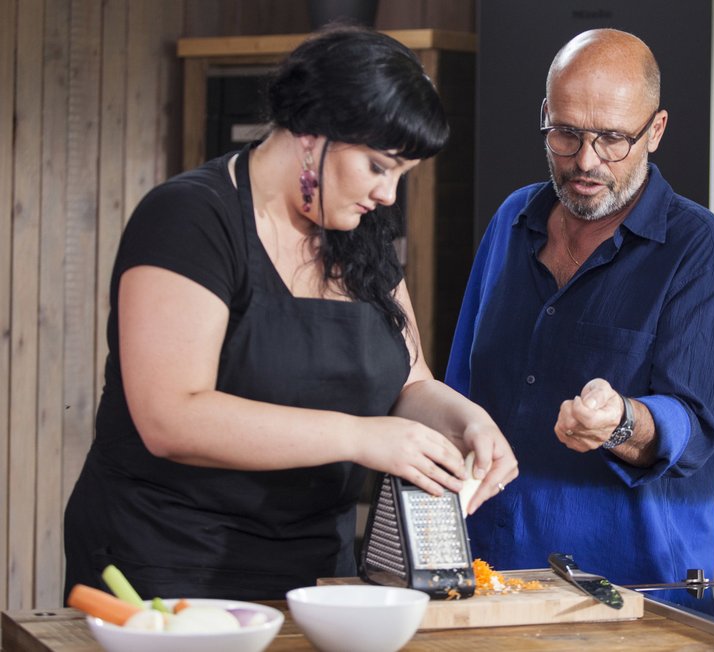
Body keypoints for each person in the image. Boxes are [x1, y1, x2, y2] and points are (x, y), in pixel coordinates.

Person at [63, 24, 517, 601]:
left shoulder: (361, 233)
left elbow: (409, 380)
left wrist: (466, 420)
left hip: (316, 568)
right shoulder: (189, 219)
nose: (388, 196)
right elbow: (171, 418)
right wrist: (359, 436)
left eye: (403, 175)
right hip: (166, 562)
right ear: (311, 132)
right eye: (379, 166)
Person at [445, 28, 714, 586]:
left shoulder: (699, 249)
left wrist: (621, 422)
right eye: (565, 133)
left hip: (632, 593)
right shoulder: (511, 222)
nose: (585, 160)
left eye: (611, 138)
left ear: (655, 130)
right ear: (545, 116)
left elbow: (695, 426)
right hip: (489, 573)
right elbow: (458, 387)